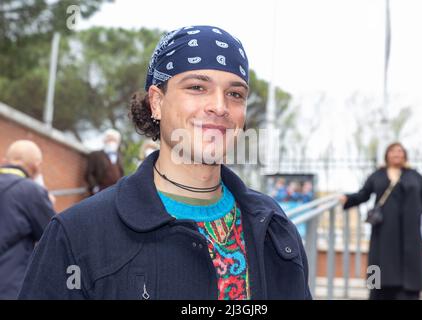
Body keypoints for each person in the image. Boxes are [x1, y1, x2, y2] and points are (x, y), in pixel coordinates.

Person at [18, 25, 311, 300]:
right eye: (197, 87)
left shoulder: (273, 225)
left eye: (235, 94)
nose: (220, 107)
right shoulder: (78, 234)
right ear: (157, 102)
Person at [339, 142, 422, 300]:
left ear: (405, 155)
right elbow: (364, 194)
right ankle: (375, 291)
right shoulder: (377, 175)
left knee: (411, 261)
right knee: (377, 260)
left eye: (400, 151)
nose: (396, 154)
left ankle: (409, 293)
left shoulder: (416, 176)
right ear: (387, 155)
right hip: (383, 230)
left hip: (410, 231)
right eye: (392, 151)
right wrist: (348, 198)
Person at [0, 140, 55, 299]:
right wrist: (46, 203)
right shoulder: (32, 192)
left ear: (5, 161)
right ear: (37, 166)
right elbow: (52, 235)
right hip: (8, 286)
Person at [85, 129, 124, 195]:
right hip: (100, 191)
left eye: (114, 140)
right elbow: (89, 174)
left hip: (115, 191)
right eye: (110, 139)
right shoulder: (95, 155)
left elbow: (121, 173)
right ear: (104, 140)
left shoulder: (119, 156)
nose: (112, 142)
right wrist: (95, 187)